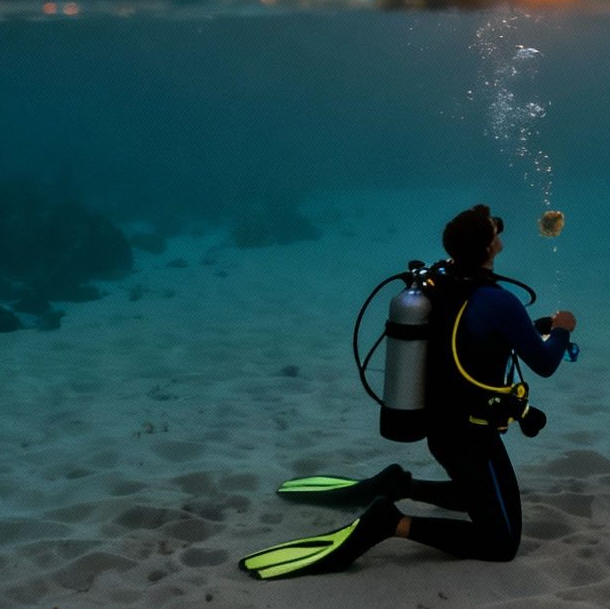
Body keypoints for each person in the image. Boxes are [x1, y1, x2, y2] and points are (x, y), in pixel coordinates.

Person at [240, 204, 577, 577]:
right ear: (486, 248)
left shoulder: (445, 279)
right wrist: (562, 328)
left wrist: (532, 326)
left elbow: (476, 336)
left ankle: (400, 484)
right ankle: (390, 523)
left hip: (440, 425)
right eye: (493, 230)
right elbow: (545, 364)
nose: (499, 231)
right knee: (501, 542)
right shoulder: (498, 301)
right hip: (470, 439)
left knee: (476, 495)